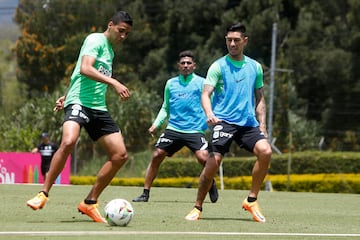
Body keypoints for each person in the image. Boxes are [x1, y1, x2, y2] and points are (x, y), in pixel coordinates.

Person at [26, 11, 133, 223]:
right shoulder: (95, 39)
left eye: (127, 34)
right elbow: (85, 68)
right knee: (68, 140)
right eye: (121, 31)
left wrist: (65, 95)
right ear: (110, 25)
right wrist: (114, 82)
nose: (123, 36)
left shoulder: (110, 52)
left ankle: (90, 202)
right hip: (79, 104)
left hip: (97, 108)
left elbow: (80, 74)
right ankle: (43, 194)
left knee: (120, 155)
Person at [185, 23, 272, 222]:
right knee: (213, 163)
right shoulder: (218, 66)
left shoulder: (255, 67)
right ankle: (197, 207)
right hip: (224, 121)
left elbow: (260, 98)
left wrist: (263, 126)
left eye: (236, 40)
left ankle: (251, 200)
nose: (232, 44)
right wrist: (209, 113)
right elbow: (205, 94)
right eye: (228, 40)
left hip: (248, 124)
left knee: (266, 152)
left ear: (245, 41)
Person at [132, 50, 218, 203]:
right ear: (178, 66)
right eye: (183, 63)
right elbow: (165, 107)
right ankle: (145, 193)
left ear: (194, 66)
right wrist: (155, 125)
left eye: (189, 63)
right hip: (173, 129)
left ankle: (210, 183)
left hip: (195, 130)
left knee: (204, 158)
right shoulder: (170, 84)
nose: (186, 65)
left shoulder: (202, 83)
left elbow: (213, 102)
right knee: (157, 155)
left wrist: (214, 118)